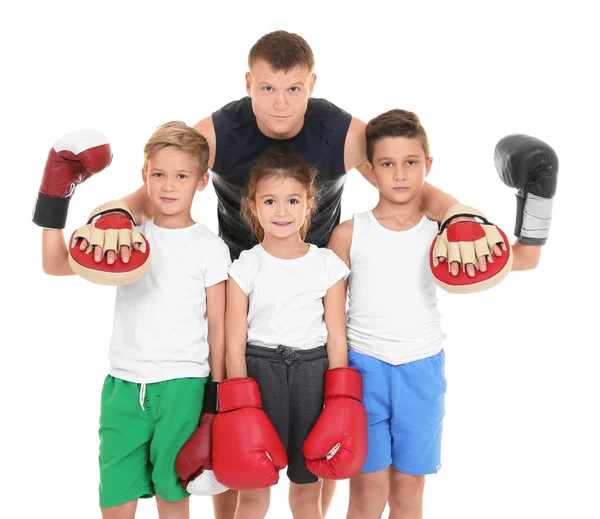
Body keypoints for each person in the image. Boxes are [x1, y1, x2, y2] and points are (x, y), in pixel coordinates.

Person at [48, 31, 507, 519]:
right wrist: (111, 214)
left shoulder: (343, 132)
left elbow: (408, 182)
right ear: (249, 83)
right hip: (233, 278)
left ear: (312, 84)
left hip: (315, 277)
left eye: (293, 88)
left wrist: (459, 216)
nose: (281, 103)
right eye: (267, 88)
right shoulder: (218, 132)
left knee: (315, 455)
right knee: (233, 437)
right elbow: (157, 184)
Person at [327, 109, 556, 519]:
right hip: (363, 371)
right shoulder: (348, 233)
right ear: (370, 171)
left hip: (422, 369)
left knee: (408, 493)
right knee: (368, 492)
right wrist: (337, 380)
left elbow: (524, 259)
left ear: (427, 166)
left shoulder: (446, 235)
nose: (400, 174)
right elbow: (329, 316)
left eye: (411, 163)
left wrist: (537, 197)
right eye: (388, 164)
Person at [39, 121, 231, 519]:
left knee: (173, 497)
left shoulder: (211, 249)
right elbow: (55, 264)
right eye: (158, 174)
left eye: (181, 176)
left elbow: (218, 327)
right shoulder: (127, 237)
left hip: (184, 385)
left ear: (201, 182)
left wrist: (217, 393)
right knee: (114, 498)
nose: (168, 185)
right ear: (144, 175)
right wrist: (53, 196)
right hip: (123, 385)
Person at [215, 147, 366, 519]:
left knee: (305, 492)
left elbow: (336, 337)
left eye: (292, 200)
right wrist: (240, 405)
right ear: (252, 205)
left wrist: (340, 398)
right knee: (252, 496)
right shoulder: (244, 266)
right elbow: (234, 344)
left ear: (309, 203)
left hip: (313, 379)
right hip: (258, 375)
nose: (281, 211)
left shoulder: (328, 265)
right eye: (270, 200)